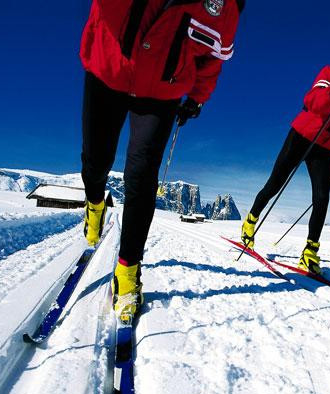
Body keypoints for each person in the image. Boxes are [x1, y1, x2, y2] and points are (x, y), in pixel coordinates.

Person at [79, 0, 245, 321]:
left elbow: (212, 59)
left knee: (141, 175)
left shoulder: (226, 7)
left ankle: (128, 271)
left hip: (162, 91)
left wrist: (197, 97)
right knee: (96, 160)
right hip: (109, 70)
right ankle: (95, 202)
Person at [241, 34, 330, 275]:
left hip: (324, 147)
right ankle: (250, 222)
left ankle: (309, 252)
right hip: (302, 135)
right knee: (275, 184)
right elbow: (312, 101)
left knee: (322, 196)